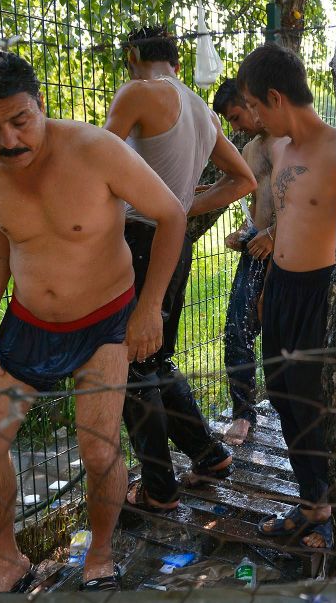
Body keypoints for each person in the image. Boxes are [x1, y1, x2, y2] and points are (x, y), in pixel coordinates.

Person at [0, 47, 186, 592]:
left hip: (106, 322)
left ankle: (100, 555)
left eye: (19, 120)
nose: (8, 140)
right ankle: (5, 560)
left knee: (98, 448)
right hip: (30, 323)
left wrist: (149, 308)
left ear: (41, 104)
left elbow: (171, 213)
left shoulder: (95, 148)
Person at [104, 26, 256, 512]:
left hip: (138, 241)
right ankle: (209, 455)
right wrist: (182, 207)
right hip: (174, 243)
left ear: (133, 56)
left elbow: (97, 160)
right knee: (154, 359)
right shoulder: (201, 109)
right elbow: (243, 180)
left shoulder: (138, 93)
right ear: (175, 59)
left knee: (131, 365)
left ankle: (159, 488)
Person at [237, 42, 336, 550]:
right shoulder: (276, 148)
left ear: (276, 98)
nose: (252, 117)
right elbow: (270, 204)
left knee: (310, 398)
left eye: (255, 106)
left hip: (320, 293)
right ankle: (311, 501)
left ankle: (330, 506)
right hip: (279, 286)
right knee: (278, 391)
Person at [212, 78, 286, 444]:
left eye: (236, 116)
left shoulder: (293, 143)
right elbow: (257, 205)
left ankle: (301, 408)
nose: (235, 126)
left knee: (284, 335)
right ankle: (244, 413)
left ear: (253, 102)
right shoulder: (251, 149)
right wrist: (246, 232)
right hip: (258, 254)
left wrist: (274, 236)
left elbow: (308, 205)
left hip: (292, 254)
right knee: (237, 330)